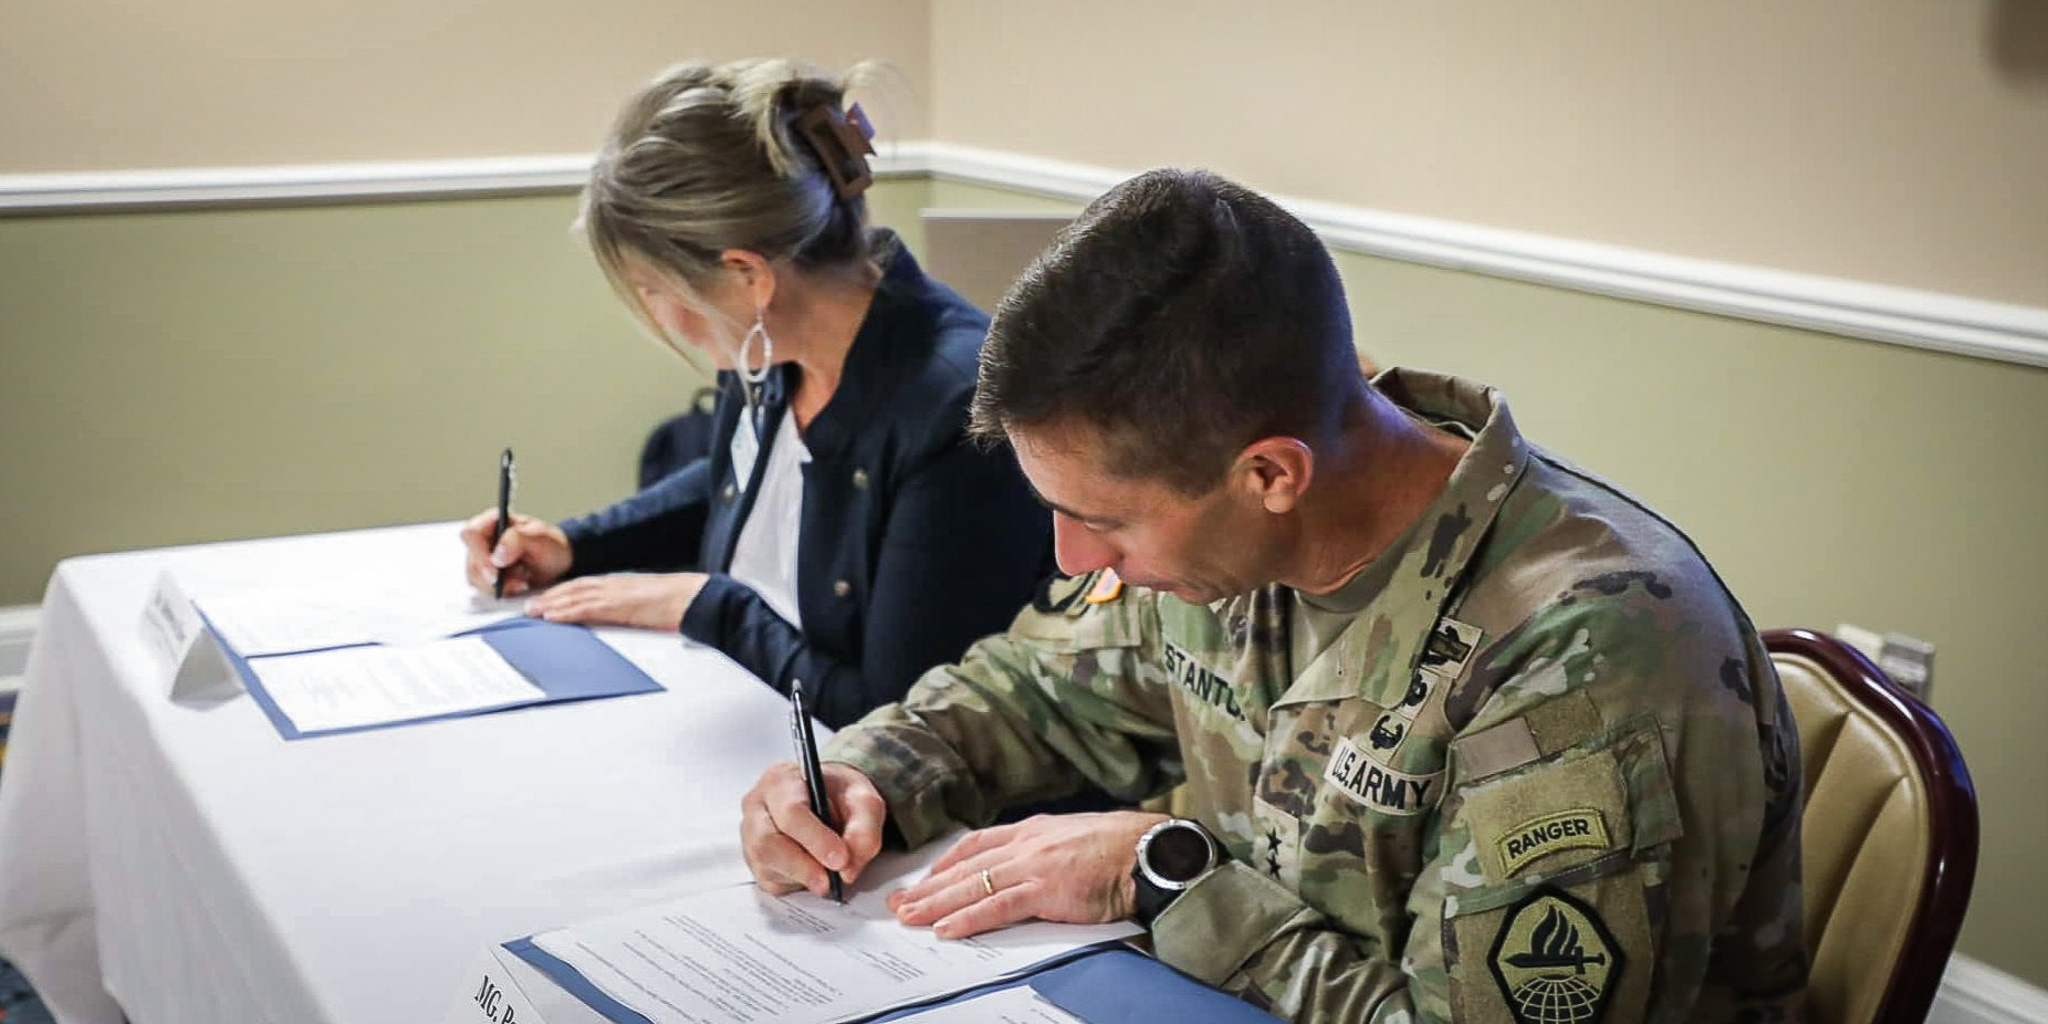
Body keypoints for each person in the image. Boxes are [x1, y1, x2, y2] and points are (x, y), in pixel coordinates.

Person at [737, 169, 1808, 1022]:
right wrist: (862, 774)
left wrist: (1161, 877)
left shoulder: (1586, 658)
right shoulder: (1233, 541)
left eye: (1102, 520)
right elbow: (1038, 687)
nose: (1068, 559)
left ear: (1270, 475)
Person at [461, 59, 1051, 728]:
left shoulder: (955, 415)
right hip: (747, 719)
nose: (658, 314)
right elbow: (738, 480)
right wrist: (575, 545)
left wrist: (710, 605)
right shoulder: (777, 342)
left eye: (654, 289)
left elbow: (898, 717)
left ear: (747, 275)